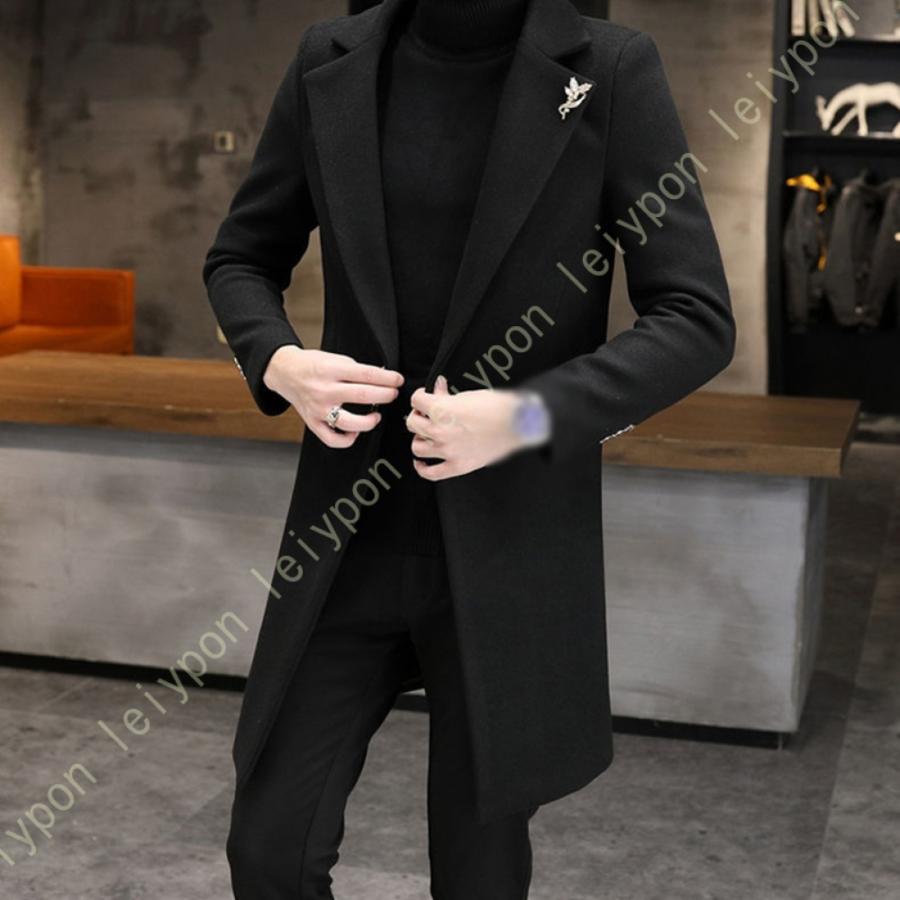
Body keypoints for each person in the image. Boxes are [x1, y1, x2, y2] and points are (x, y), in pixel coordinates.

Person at [202, 0, 736, 896]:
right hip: (348, 536)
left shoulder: (609, 68)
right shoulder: (330, 59)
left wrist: (524, 417)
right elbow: (240, 258)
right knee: (269, 851)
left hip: (508, 543)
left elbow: (695, 317)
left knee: (477, 869)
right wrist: (280, 361)